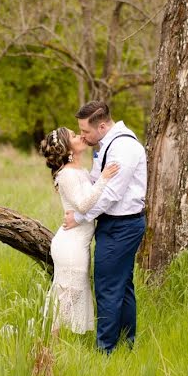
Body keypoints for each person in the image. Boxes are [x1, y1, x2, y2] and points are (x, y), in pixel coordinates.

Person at [63, 100, 147, 353]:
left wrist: (79, 218)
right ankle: (126, 342)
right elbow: (95, 181)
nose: (83, 136)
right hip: (114, 224)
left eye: (85, 131)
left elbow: (110, 194)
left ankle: (105, 350)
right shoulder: (108, 144)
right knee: (122, 286)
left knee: (107, 288)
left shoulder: (124, 148)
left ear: (101, 126)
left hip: (122, 226)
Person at [39, 127, 120, 334]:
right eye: (74, 136)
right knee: (68, 297)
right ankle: (49, 344)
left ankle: (51, 342)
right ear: (67, 148)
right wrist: (104, 178)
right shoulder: (66, 175)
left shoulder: (80, 172)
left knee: (68, 296)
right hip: (70, 245)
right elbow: (84, 204)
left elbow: (93, 201)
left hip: (78, 243)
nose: (80, 136)